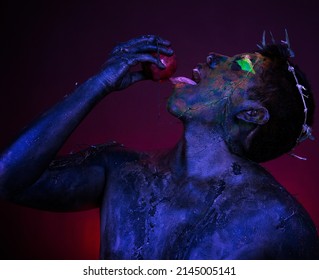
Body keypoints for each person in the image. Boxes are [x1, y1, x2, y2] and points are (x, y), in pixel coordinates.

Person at [0, 34, 318, 259]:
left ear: (250, 114)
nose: (213, 58)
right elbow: (7, 178)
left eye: (239, 68)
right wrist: (100, 83)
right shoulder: (120, 171)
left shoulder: (279, 219)